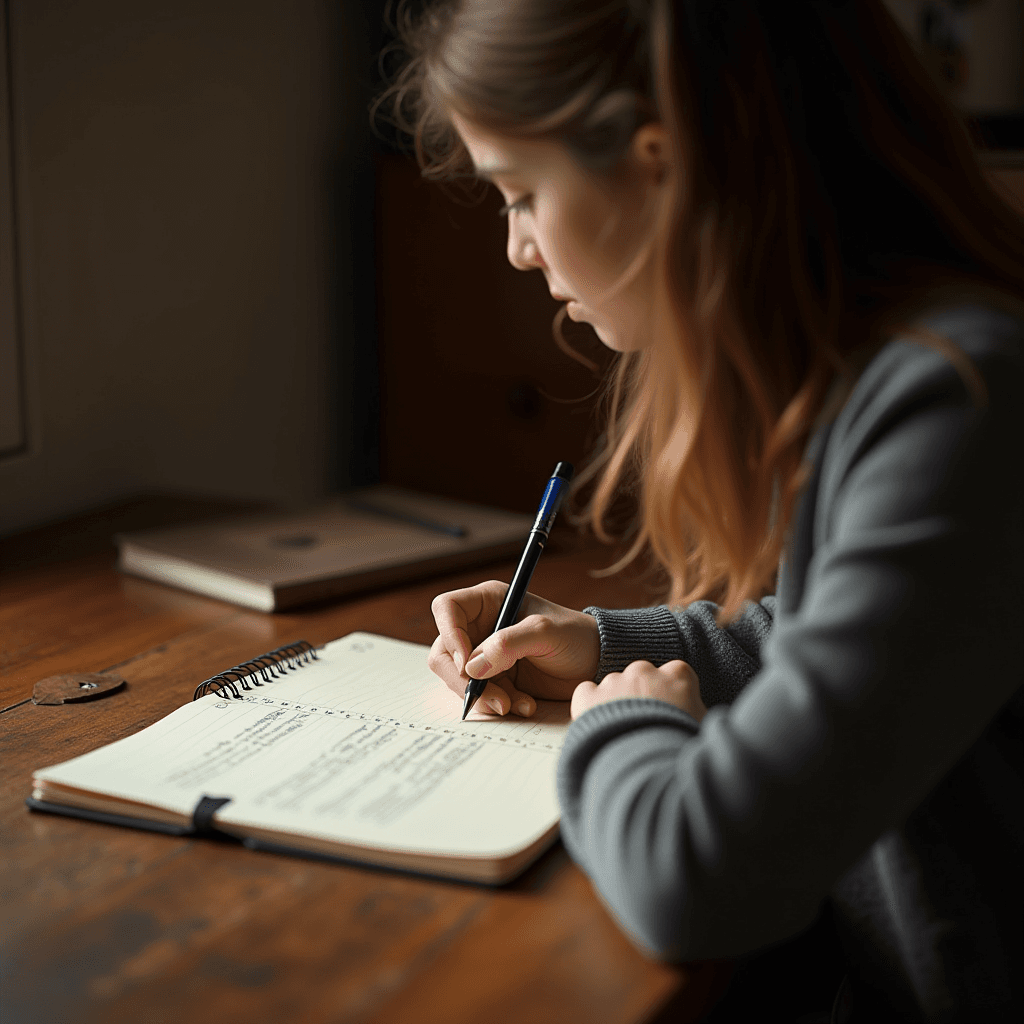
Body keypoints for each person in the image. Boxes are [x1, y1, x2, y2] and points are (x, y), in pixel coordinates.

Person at [372, 1, 1024, 1020]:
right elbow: (843, 645)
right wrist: (600, 643)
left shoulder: (959, 406)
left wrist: (627, 722)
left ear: (656, 163)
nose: (517, 248)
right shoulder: (876, 372)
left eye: (522, 192)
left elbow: (698, 879)